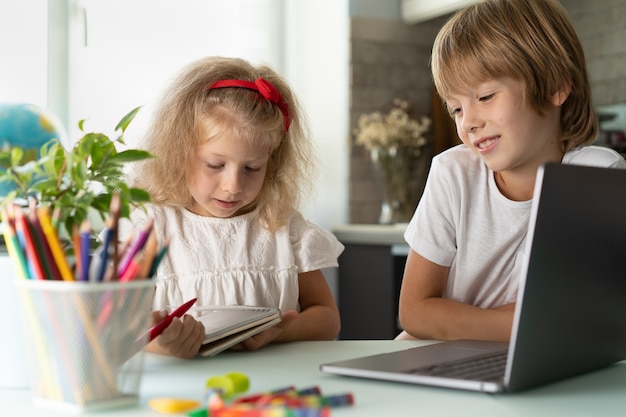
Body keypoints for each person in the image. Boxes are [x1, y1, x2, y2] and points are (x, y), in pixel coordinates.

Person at [396, 0, 626, 342]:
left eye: (486, 96)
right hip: (441, 356)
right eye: (457, 108)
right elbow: (413, 312)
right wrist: (529, 325)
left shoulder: (598, 174)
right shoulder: (452, 173)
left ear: (555, 86)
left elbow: (588, 312)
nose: (469, 123)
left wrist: (460, 321)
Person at [123, 56, 343, 358]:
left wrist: (282, 332)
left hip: (272, 386)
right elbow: (119, 325)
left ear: (272, 163)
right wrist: (161, 344)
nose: (233, 185)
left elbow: (328, 319)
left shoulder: (283, 227)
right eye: (215, 165)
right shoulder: (152, 229)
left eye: (252, 168)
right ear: (178, 154)